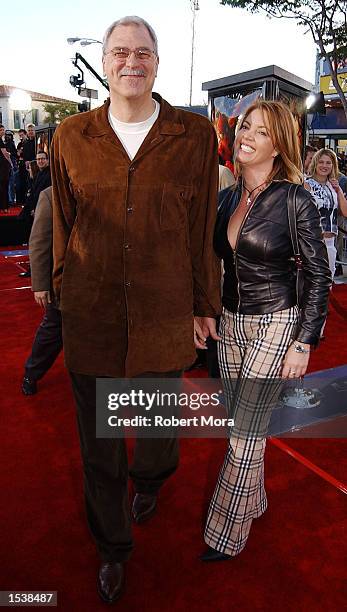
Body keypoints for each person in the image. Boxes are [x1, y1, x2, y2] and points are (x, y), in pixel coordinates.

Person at [51, 15, 220, 604]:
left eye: (142, 52)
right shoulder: (71, 136)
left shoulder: (193, 136)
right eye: (119, 51)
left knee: (154, 429)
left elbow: (202, 230)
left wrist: (205, 304)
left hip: (164, 308)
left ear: (157, 61)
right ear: (105, 59)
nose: (131, 61)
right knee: (98, 447)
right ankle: (112, 548)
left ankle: (151, 479)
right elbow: (64, 222)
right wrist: (61, 289)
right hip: (92, 311)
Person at [199, 100, 331, 562]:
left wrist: (304, 340)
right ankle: (254, 501)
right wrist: (207, 311)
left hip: (277, 322)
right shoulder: (231, 196)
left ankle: (224, 533)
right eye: (245, 127)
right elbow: (218, 262)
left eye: (260, 131)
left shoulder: (294, 197)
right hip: (232, 323)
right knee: (242, 423)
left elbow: (319, 274)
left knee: (244, 435)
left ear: (279, 146)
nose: (246, 136)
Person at [22, 186, 63, 396]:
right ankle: (32, 373)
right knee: (52, 333)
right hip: (62, 286)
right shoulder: (49, 195)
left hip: (96, 286)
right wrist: (39, 284)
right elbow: (38, 242)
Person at [306, 149, 347, 279]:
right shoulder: (307, 184)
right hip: (312, 242)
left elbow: (345, 212)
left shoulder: (333, 186)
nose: (324, 166)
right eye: (321, 162)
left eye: (328, 163)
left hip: (330, 242)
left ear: (333, 165)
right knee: (312, 282)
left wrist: (339, 190)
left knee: (327, 282)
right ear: (315, 163)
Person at [0, 124, 12, 213]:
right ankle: (4, 207)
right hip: (3, 167)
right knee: (4, 186)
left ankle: (4, 207)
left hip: (3, 167)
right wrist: (11, 163)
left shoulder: (3, 140)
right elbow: (5, 154)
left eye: (3, 130)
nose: (3, 131)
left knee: (4, 186)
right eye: (1, 130)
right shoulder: (0, 141)